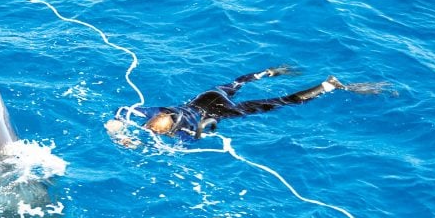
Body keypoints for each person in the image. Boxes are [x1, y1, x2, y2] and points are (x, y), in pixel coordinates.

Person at [107, 66, 393, 143]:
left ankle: (329, 86)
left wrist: (121, 136)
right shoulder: (156, 111)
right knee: (237, 83)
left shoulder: (180, 131)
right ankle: (267, 72)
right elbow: (122, 112)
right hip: (208, 97)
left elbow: (194, 139)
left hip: (220, 111)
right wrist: (119, 130)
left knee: (281, 102)